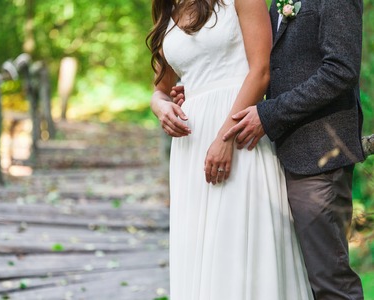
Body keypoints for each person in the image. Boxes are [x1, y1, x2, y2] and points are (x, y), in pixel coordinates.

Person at [173, 0, 366, 299]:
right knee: (290, 275)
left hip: (319, 151)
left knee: (329, 279)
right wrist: (204, 84)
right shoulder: (278, 3)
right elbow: (272, 64)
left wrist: (269, 114)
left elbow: (340, 71)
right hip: (276, 153)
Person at [147, 0, 313, 299]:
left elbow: (260, 71)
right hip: (190, 143)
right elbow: (160, 89)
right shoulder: (167, 10)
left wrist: (225, 138)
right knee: (199, 245)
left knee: (238, 240)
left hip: (238, 127)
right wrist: (161, 108)